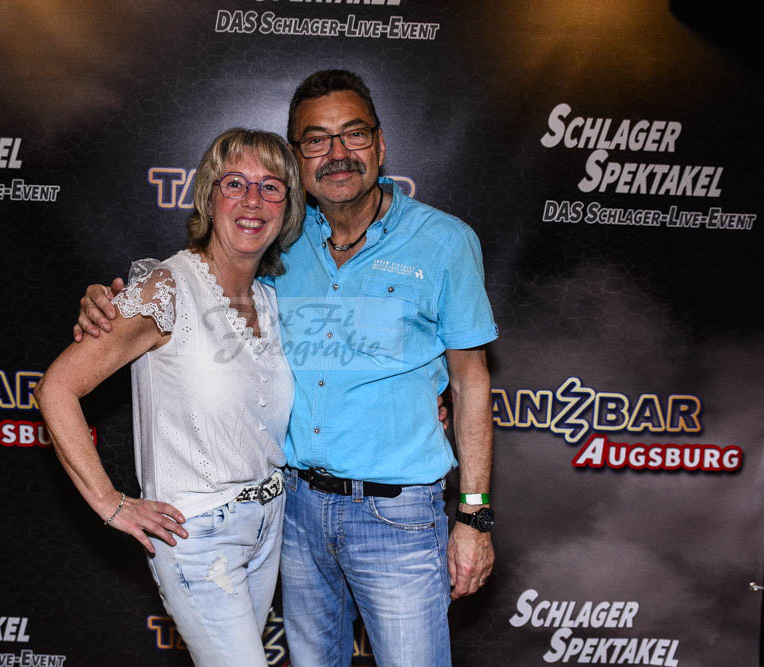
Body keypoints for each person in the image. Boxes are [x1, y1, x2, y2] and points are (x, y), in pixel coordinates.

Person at [75, 70, 498, 667]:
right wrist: (105, 306)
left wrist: (475, 514)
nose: (338, 153)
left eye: (354, 134)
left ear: (381, 145)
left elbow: (471, 381)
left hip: (397, 516)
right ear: (299, 159)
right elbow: (187, 301)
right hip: (294, 513)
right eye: (317, 140)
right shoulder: (279, 246)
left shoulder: (445, 243)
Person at [35, 128, 305, 667]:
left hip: (269, 527)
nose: (253, 200)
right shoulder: (167, 289)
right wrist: (110, 503)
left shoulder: (270, 300)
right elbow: (56, 388)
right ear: (208, 196)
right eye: (236, 183)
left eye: (271, 187)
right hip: (197, 535)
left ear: (287, 207)